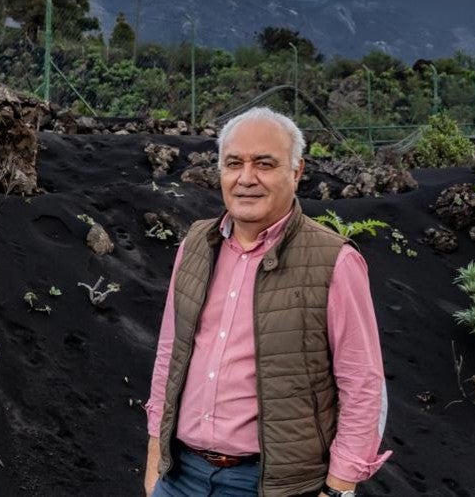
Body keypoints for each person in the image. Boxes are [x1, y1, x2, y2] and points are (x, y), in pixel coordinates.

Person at [144, 107, 390, 497]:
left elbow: (363, 385)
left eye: (264, 164)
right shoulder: (196, 244)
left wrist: (339, 490)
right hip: (179, 477)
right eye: (234, 163)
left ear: (296, 172)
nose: (246, 178)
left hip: (270, 485)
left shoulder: (335, 261)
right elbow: (169, 354)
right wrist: (155, 455)